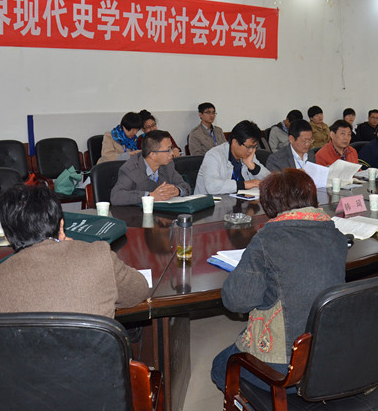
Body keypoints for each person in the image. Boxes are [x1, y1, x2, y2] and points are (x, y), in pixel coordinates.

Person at [210, 169, 348, 391]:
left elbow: (237, 301)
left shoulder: (267, 239)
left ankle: (276, 402)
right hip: (328, 355)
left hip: (286, 367)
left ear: (269, 205)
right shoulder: (337, 237)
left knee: (219, 366)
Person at [0, 184, 148, 316]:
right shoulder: (98, 256)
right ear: (61, 227)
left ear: (7, 236)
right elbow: (138, 290)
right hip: (92, 357)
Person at [110, 130, 191, 205]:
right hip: (137, 214)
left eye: (171, 148)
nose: (172, 153)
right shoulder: (130, 169)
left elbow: (186, 187)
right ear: (153, 154)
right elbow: (116, 196)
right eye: (168, 150)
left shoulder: (168, 165)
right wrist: (150, 196)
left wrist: (177, 191)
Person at [194, 120, 271, 195]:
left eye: (254, 147)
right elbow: (212, 187)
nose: (251, 151)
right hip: (210, 202)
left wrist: (253, 167)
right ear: (235, 142)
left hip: (238, 201)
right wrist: (245, 184)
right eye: (249, 147)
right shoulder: (214, 155)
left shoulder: (249, 156)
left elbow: (270, 180)